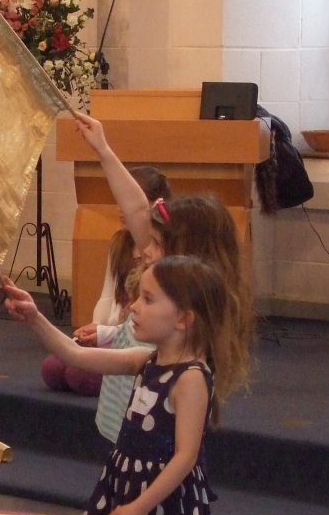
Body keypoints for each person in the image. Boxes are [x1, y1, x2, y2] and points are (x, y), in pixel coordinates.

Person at [4, 254, 249, 515]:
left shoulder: (190, 378)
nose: (133, 306)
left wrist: (141, 507)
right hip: (125, 483)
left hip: (163, 503)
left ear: (183, 318)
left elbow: (186, 457)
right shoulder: (147, 361)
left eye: (147, 299)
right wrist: (34, 317)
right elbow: (74, 354)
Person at [70, 112, 252, 445]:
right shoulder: (164, 272)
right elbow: (140, 211)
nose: (144, 250)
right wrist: (103, 150)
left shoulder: (189, 312)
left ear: (187, 252)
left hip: (149, 443)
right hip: (119, 431)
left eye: (155, 243)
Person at [45, 166, 171, 396]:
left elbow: (139, 326)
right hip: (112, 332)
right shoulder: (120, 244)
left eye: (127, 204)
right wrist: (94, 331)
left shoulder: (161, 255)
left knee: (78, 375)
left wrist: (104, 334)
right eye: (118, 202)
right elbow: (107, 295)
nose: (121, 211)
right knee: (52, 368)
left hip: (135, 339)